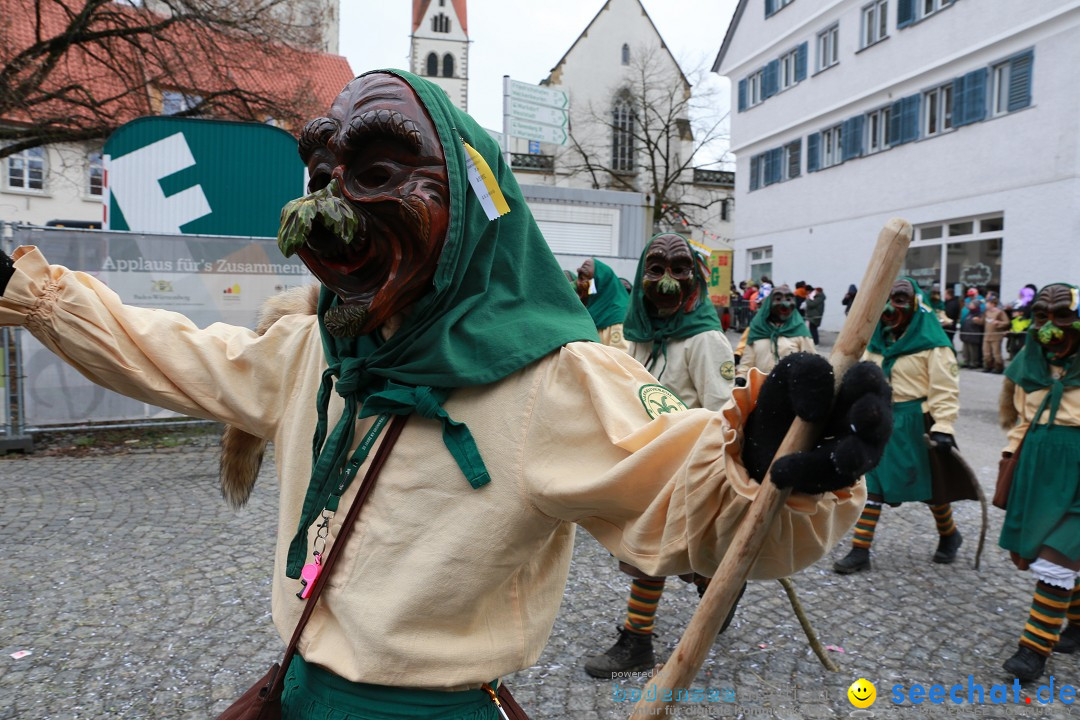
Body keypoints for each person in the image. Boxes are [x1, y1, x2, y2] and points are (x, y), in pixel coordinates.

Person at [0, 70, 893, 718]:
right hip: (299, 688)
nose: (328, 206)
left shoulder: (553, 378)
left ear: (467, 207)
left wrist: (768, 454)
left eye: (378, 171)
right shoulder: (317, 349)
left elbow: (698, 510)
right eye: (320, 177)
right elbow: (172, 353)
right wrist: (33, 292)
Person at [583, 233, 737, 678]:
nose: (667, 281)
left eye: (679, 269)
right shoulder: (639, 337)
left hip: (688, 466)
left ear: (694, 280)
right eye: (656, 269)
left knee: (650, 553)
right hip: (647, 462)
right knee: (676, 554)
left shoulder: (706, 341)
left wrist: (712, 474)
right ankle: (718, 588)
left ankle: (637, 641)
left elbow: (722, 413)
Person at [833, 278, 967, 574]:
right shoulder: (877, 341)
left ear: (916, 304)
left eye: (901, 299)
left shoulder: (934, 345)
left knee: (932, 487)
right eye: (888, 300)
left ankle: (950, 534)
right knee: (872, 485)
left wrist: (944, 425)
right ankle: (860, 550)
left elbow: (945, 389)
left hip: (917, 422)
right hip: (881, 421)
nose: (892, 308)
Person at [998, 283, 1080, 682]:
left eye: (1061, 317)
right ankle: (1078, 624)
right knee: (1059, 551)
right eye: (1042, 318)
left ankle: (1033, 649)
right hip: (1039, 469)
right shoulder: (1031, 363)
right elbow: (1022, 420)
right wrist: (1011, 457)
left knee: (1057, 555)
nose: (1050, 330)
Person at [736, 284, 816, 382]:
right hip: (761, 388)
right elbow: (747, 363)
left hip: (790, 389)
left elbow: (812, 364)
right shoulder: (757, 329)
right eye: (778, 299)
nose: (785, 303)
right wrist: (741, 377)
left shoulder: (800, 331)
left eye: (788, 299)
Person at [574, 257, 630, 351]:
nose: (578, 283)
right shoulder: (591, 311)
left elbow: (620, 358)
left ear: (600, 283)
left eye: (584, 278)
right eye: (579, 278)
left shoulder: (618, 318)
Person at [982, 294, 1010, 373]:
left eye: (988, 303)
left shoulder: (1000, 312)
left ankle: (999, 367)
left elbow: (1007, 322)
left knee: (996, 353)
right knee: (986, 353)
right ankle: (988, 366)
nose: (986, 304)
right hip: (987, 336)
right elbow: (983, 322)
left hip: (996, 336)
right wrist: (977, 320)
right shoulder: (986, 312)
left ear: (993, 304)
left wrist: (998, 323)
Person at [960, 292, 985, 368]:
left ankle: (974, 362)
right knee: (966, 350)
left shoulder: (979, 314)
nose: (970, 305)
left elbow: (981, 323)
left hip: (973, 335)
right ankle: (966, 361)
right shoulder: (969, 313)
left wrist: (978, 321)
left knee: (973, 350)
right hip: (966, 335)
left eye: (972, 304)